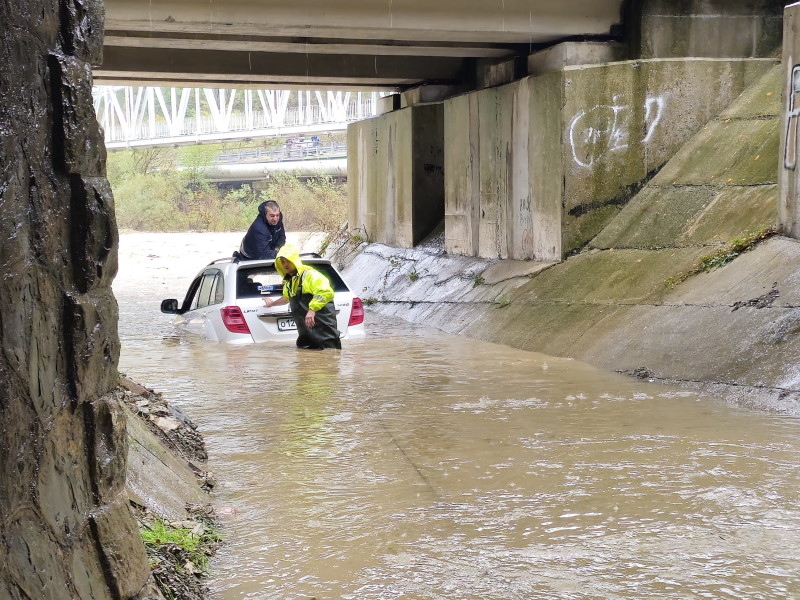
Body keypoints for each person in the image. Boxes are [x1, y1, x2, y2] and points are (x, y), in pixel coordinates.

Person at [263, 244, 341, 350]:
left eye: (288, 261)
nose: (285, 265)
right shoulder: (289, 281)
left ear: (295, 260)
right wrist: (272, 303)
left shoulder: (310, 275)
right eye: (282, 262)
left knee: (328, 359)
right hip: (306, 337)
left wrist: (312, 310)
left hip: (325, 335)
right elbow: (287, 297)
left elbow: (325, 292)